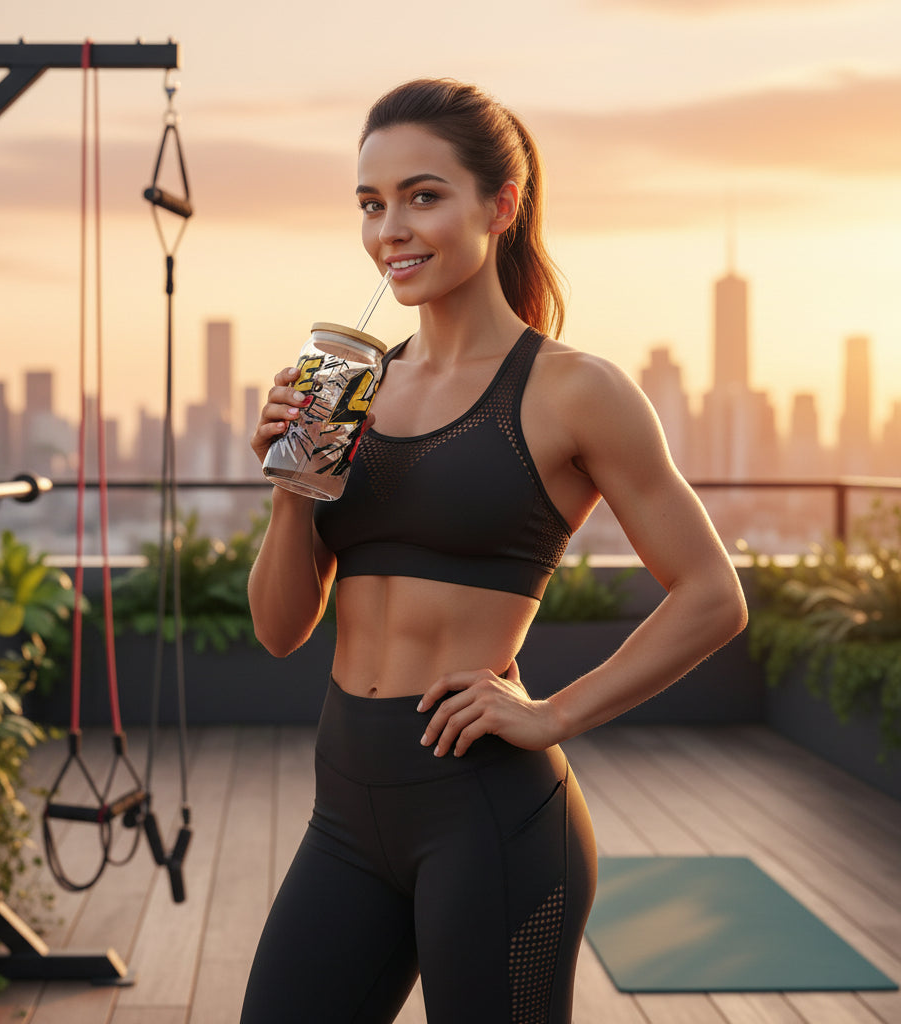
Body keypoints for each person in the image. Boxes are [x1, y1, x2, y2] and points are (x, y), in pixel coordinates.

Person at [242, 78, 747, 1024]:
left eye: (423, 196)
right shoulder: (354, 387)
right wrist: (289, 486)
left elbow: (713, 594)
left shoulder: (574, 392)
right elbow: (278, 631)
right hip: (346, 808)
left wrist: (553, 714)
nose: (391, 228)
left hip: (488, 816)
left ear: (499, 206)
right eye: (371, 203)